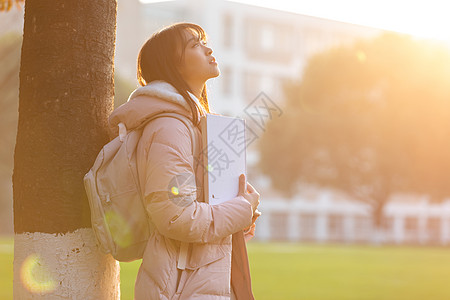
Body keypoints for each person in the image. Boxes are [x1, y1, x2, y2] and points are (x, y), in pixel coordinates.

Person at [109, 22, 261, 299]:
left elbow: (200, 214)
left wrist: (240, 215)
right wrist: (241, 209)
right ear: (174, 65)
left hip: (199, 281)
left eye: (204, 41)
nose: (209, 48)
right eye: (195, 44)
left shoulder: (195, 125)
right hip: (179, 288)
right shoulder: (170, 127)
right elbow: (176, 217)